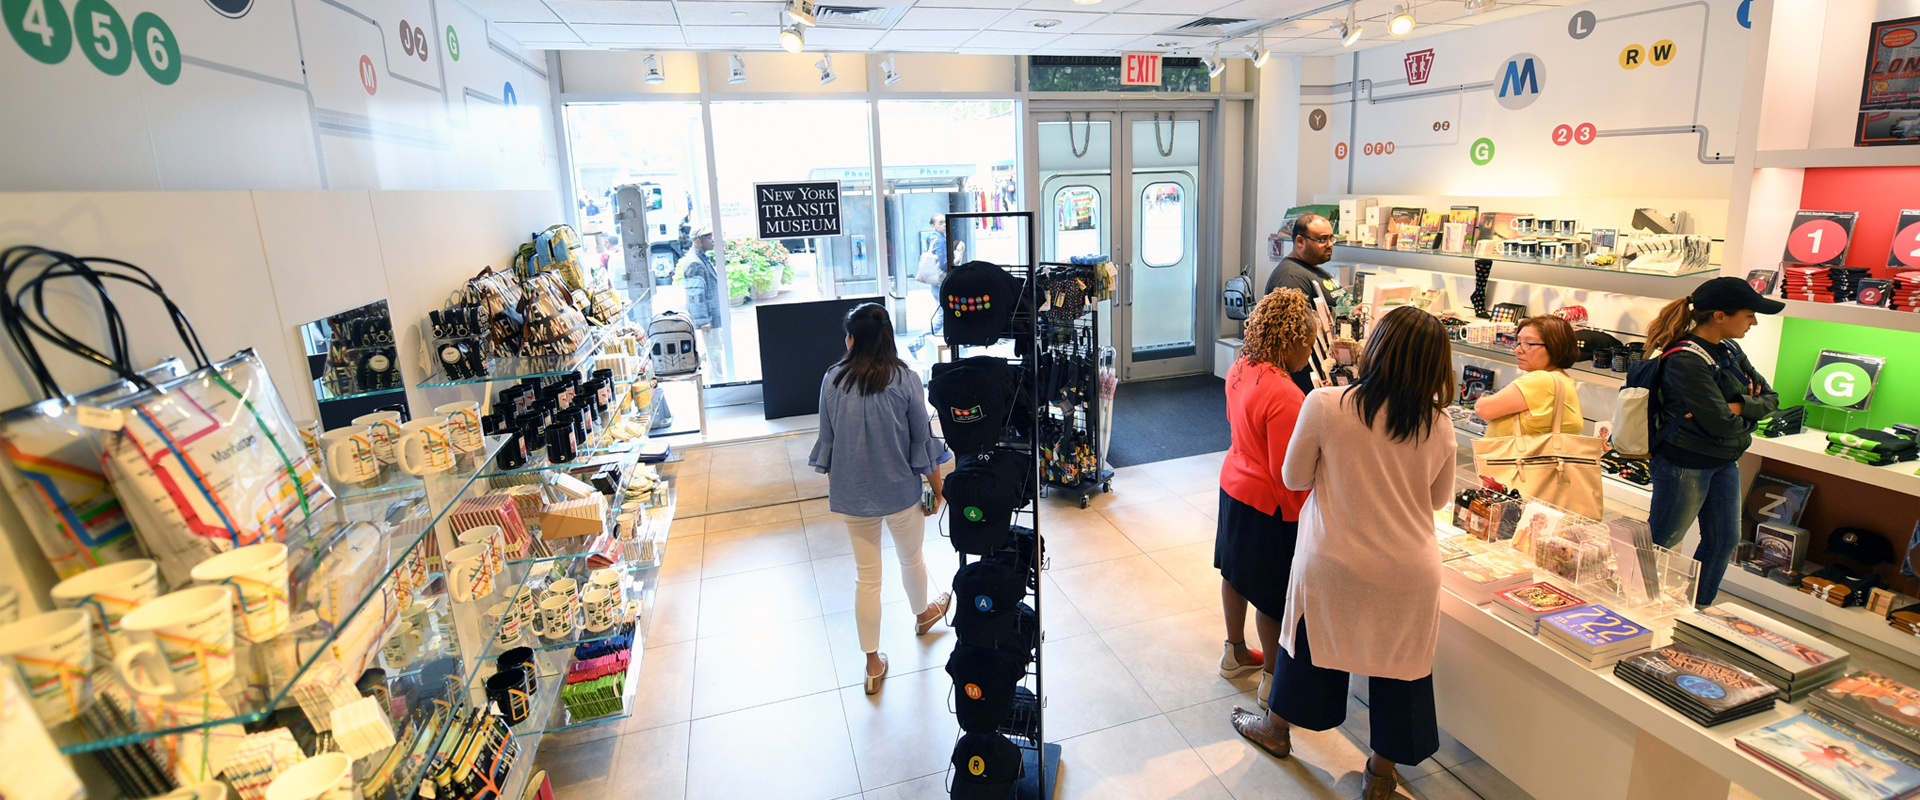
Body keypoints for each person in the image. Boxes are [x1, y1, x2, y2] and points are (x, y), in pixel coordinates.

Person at [1231, 306, 1457, 800]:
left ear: (1376, 349)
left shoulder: (1327, 404)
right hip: (1411, 570)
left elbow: (1293, 477)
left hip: (1335, 559)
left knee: (1307, 648)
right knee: (1403, 669)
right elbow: (1437, 500)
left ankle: (1276, 728)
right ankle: (1380, 774)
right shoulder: (1438, 423)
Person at [808, 303, 954, 695]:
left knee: (867, 579)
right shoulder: (905, 379)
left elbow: (829, 442)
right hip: (901, 491)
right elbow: (921, 441)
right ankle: (923, 615)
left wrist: (843, 487)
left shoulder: (832, 380)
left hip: (853, 496)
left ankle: (873, 664)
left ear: (852, 340)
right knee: (912, 558)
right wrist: (937, 488)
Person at [1642, 276, 1781, 607]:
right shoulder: (1685, 359)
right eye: (1748, 314)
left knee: (1724, 540)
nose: (1754, 321)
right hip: (1683, 462)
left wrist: (1738, 407)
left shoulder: (1731, 349)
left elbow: (1772, 398)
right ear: (1720, 315)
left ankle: (1697, 607)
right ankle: (1626, 602)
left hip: (1723, 461)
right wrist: (1742, 408)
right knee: (1660, 540)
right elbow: (1719, 422)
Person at [1215, 288, 1318, 711]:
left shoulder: (1241, 368)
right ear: (1291, 340)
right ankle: (1271, 683)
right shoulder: (1287, 395)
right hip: (1270, 505)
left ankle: (1235, 651)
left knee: (1236, 574)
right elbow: (1288, 473)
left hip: (1234, 484)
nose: (1309, 356)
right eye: (1308, 346)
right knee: (1272, 596)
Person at [1264, 214, 1340, 393]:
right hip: (1308, 376)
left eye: (1331, 238)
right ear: (1300, 241)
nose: (1329, 244)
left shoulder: (1314, 269)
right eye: (1322, 239)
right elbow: (1291, 336)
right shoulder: (1290, 277)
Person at [1473, 315, 1583, 435]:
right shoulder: (1562, 379)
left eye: (1529, 343)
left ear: (1555, 346)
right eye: (1518, 342)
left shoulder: (1542, 380)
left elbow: (1483, 409)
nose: (1518, 350)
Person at [677, 226, 724, 376]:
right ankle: (717, 379)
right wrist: (703, 320)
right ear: (698, 241)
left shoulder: (700, 258)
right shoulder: (695, 263)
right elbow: (695, 295)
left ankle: (716, 377)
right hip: (708, 316)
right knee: (714, 349)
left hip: (710, 314)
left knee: (714, 348)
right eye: (708, 237)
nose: (712, 240)